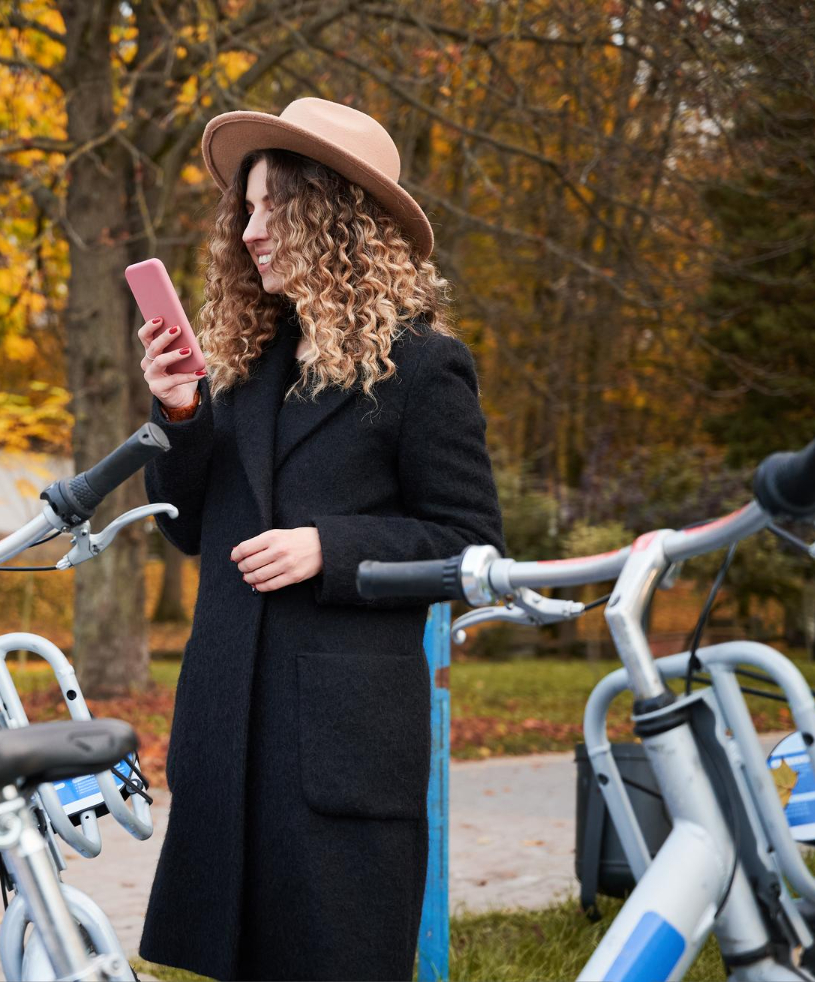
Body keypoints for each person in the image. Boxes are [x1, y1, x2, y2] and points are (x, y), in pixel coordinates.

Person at [136, 98, 506, 981]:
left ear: (333, 216)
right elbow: (187, 529)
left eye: (273, 208)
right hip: (229, 732)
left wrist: (328, 548)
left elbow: (471, 546)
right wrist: (181, 412)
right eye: (248, 210)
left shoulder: (424, 367)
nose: (251, 231)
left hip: (337, 751)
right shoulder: (251, 361)